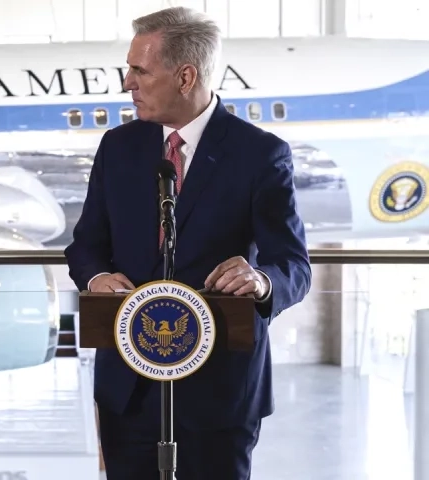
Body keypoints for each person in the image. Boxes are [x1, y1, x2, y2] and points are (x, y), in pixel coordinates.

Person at [64, 7, 311, 480]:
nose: (126, 83)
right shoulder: (118, 147)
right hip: (128, 388)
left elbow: (293, 266)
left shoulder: (260, 154)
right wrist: (96, 276)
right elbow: (85, 246)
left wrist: (260, 281)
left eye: (139, 70)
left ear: (184, 76)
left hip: (219, 394)